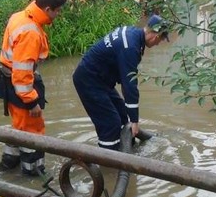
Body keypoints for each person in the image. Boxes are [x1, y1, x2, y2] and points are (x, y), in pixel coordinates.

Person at [0, 0, 67, 176]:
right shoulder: (31, 33)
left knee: (19, 127)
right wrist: (32, 101)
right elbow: (22, 73)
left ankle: (8, 168)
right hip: (20, 87)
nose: (58, 14)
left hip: (9, 82)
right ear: (48, 9)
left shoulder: (19, 17)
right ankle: (32, 175)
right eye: (57, 10)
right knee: (33, 131)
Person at [72, 14, 170, 151]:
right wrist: (135, 121)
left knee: (123, 115)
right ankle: (109, 164)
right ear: (156, 35)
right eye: (160, 40)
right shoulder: (130, 47)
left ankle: (126, 151)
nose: (158, 44)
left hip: (102, 79)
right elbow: (129, 84)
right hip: (89, 80)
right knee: (110, 123)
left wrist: (131, 119)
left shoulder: (133, 34)